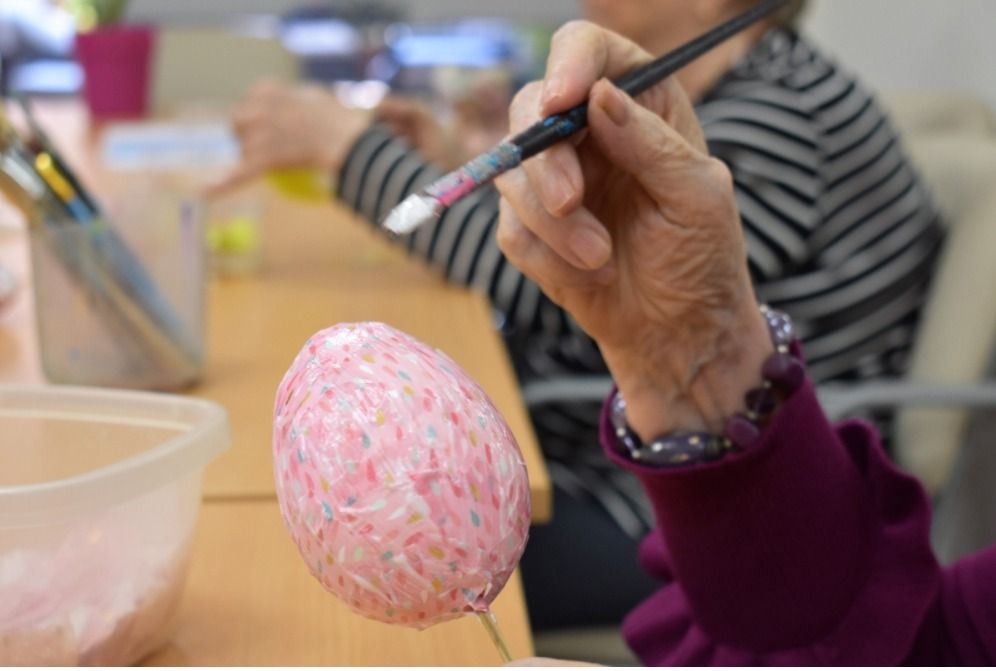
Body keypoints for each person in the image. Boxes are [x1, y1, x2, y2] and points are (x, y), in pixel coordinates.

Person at [216, 0, 946, 631]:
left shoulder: (779, 118)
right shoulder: (725, 88)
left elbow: (567, 287)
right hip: (621, 449)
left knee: (348, 568)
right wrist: (451, 162)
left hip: (688, 502)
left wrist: (348, 151)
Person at [494, 21, 994, 665]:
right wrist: (685, 346)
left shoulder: (783, 112)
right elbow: (913, 649)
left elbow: (519, 279)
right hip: (749, 523)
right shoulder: (744, 93)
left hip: (651, 504)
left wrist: (355, 152)